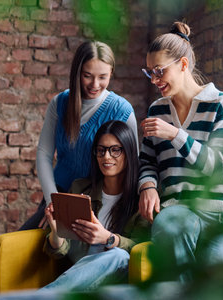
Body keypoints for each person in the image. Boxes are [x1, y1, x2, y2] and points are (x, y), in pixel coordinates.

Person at [138, 21, 223, 281]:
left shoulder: (222, 104)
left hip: (221, 216)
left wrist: (175, 134)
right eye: (150, 72)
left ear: (183, 65)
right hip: (178, 211)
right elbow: (148, 162)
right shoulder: (157, 110)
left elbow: (217, 167)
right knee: (171, 229)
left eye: (160, 71)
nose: (155, 80)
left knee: (211, 286)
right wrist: (147, 186)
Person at [20, 40, 138, 230]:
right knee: (25, 242)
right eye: (87, 76)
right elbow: (44, 154)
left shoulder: (121, 109)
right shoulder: (60, 103)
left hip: (97, 200)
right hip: (57, 195)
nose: (95, 84)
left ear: (111, 74)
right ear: (77, 73)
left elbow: (132, 163)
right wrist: (54, 201)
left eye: (103, 77)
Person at [41, 120, 150, 291]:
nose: (106, 157)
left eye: (115, 150)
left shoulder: (141, 200)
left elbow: (143, 248)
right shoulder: (80, 188)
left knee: (119, 256)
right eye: (101, 150)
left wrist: (108, 238)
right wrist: (56, 232)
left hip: (116, 284)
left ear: (128, 152)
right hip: (80, 280)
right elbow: (59, 251)